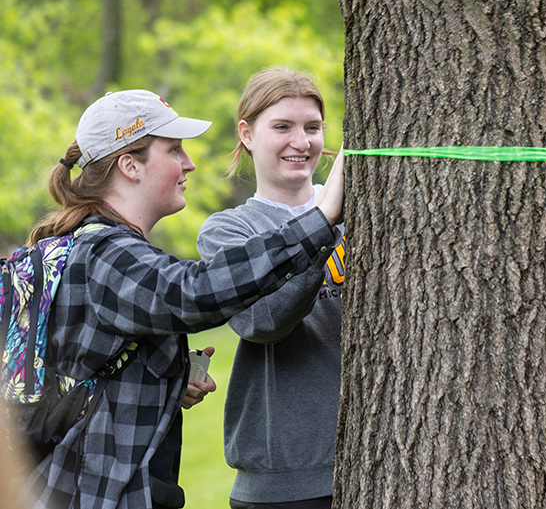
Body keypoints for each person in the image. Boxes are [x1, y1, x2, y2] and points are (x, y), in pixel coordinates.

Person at [18, 89, 345, 509]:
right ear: (130, 165)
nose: (189, 163)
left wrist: (169, 378)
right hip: (98, 494)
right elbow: (195, 292)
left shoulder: (85, 246)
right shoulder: (105, 254)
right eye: (174, 151)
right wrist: (319, 221)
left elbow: (84, 369)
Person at [196, 68, 345, 509]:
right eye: (282, 127)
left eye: (312, 127)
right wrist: (323, 222)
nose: (301, 143)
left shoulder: (365, 209)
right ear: (246, 134)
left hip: (382, 461)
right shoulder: (229, 230)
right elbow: (261, 322)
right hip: (286, 485)